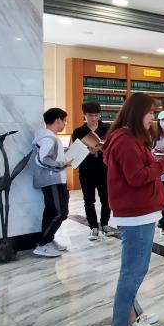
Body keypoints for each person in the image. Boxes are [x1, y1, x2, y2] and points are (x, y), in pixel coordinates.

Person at [104, 92, 164, 326]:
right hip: (136, 212)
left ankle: (132, 313)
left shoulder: (129, 138)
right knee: (133, 270)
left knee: (134, 267)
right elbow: (136, 177)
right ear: (138, 113)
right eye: (150, 113)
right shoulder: (125, 140)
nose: (153, 119)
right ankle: (124, 325)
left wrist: (161, 160)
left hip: (140, 210)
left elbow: (139, 167)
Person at [72, 102, 116, 241]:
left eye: (97, 115)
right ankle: (93, 227)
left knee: (106, 199)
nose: (94, 118)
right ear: (84, 115)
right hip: (86, 170)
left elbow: (114, 147)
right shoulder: (78, 131)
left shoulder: (107, 128)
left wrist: (102, 148)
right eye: (90, 115)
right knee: (89, 199)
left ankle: (105, 224)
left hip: (104, 168)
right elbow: (75, 152)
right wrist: (87, 150)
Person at [31, 107, 71, 258]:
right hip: (52, 180)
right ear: (57, 120)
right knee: (60, 212)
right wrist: (61, 164)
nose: (65, 124)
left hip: (53, 180)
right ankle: (43, 244)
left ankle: (48, 240)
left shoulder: (48, 137)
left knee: (51, 211)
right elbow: (43, 159)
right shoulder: (49, 138)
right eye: (64, 121)